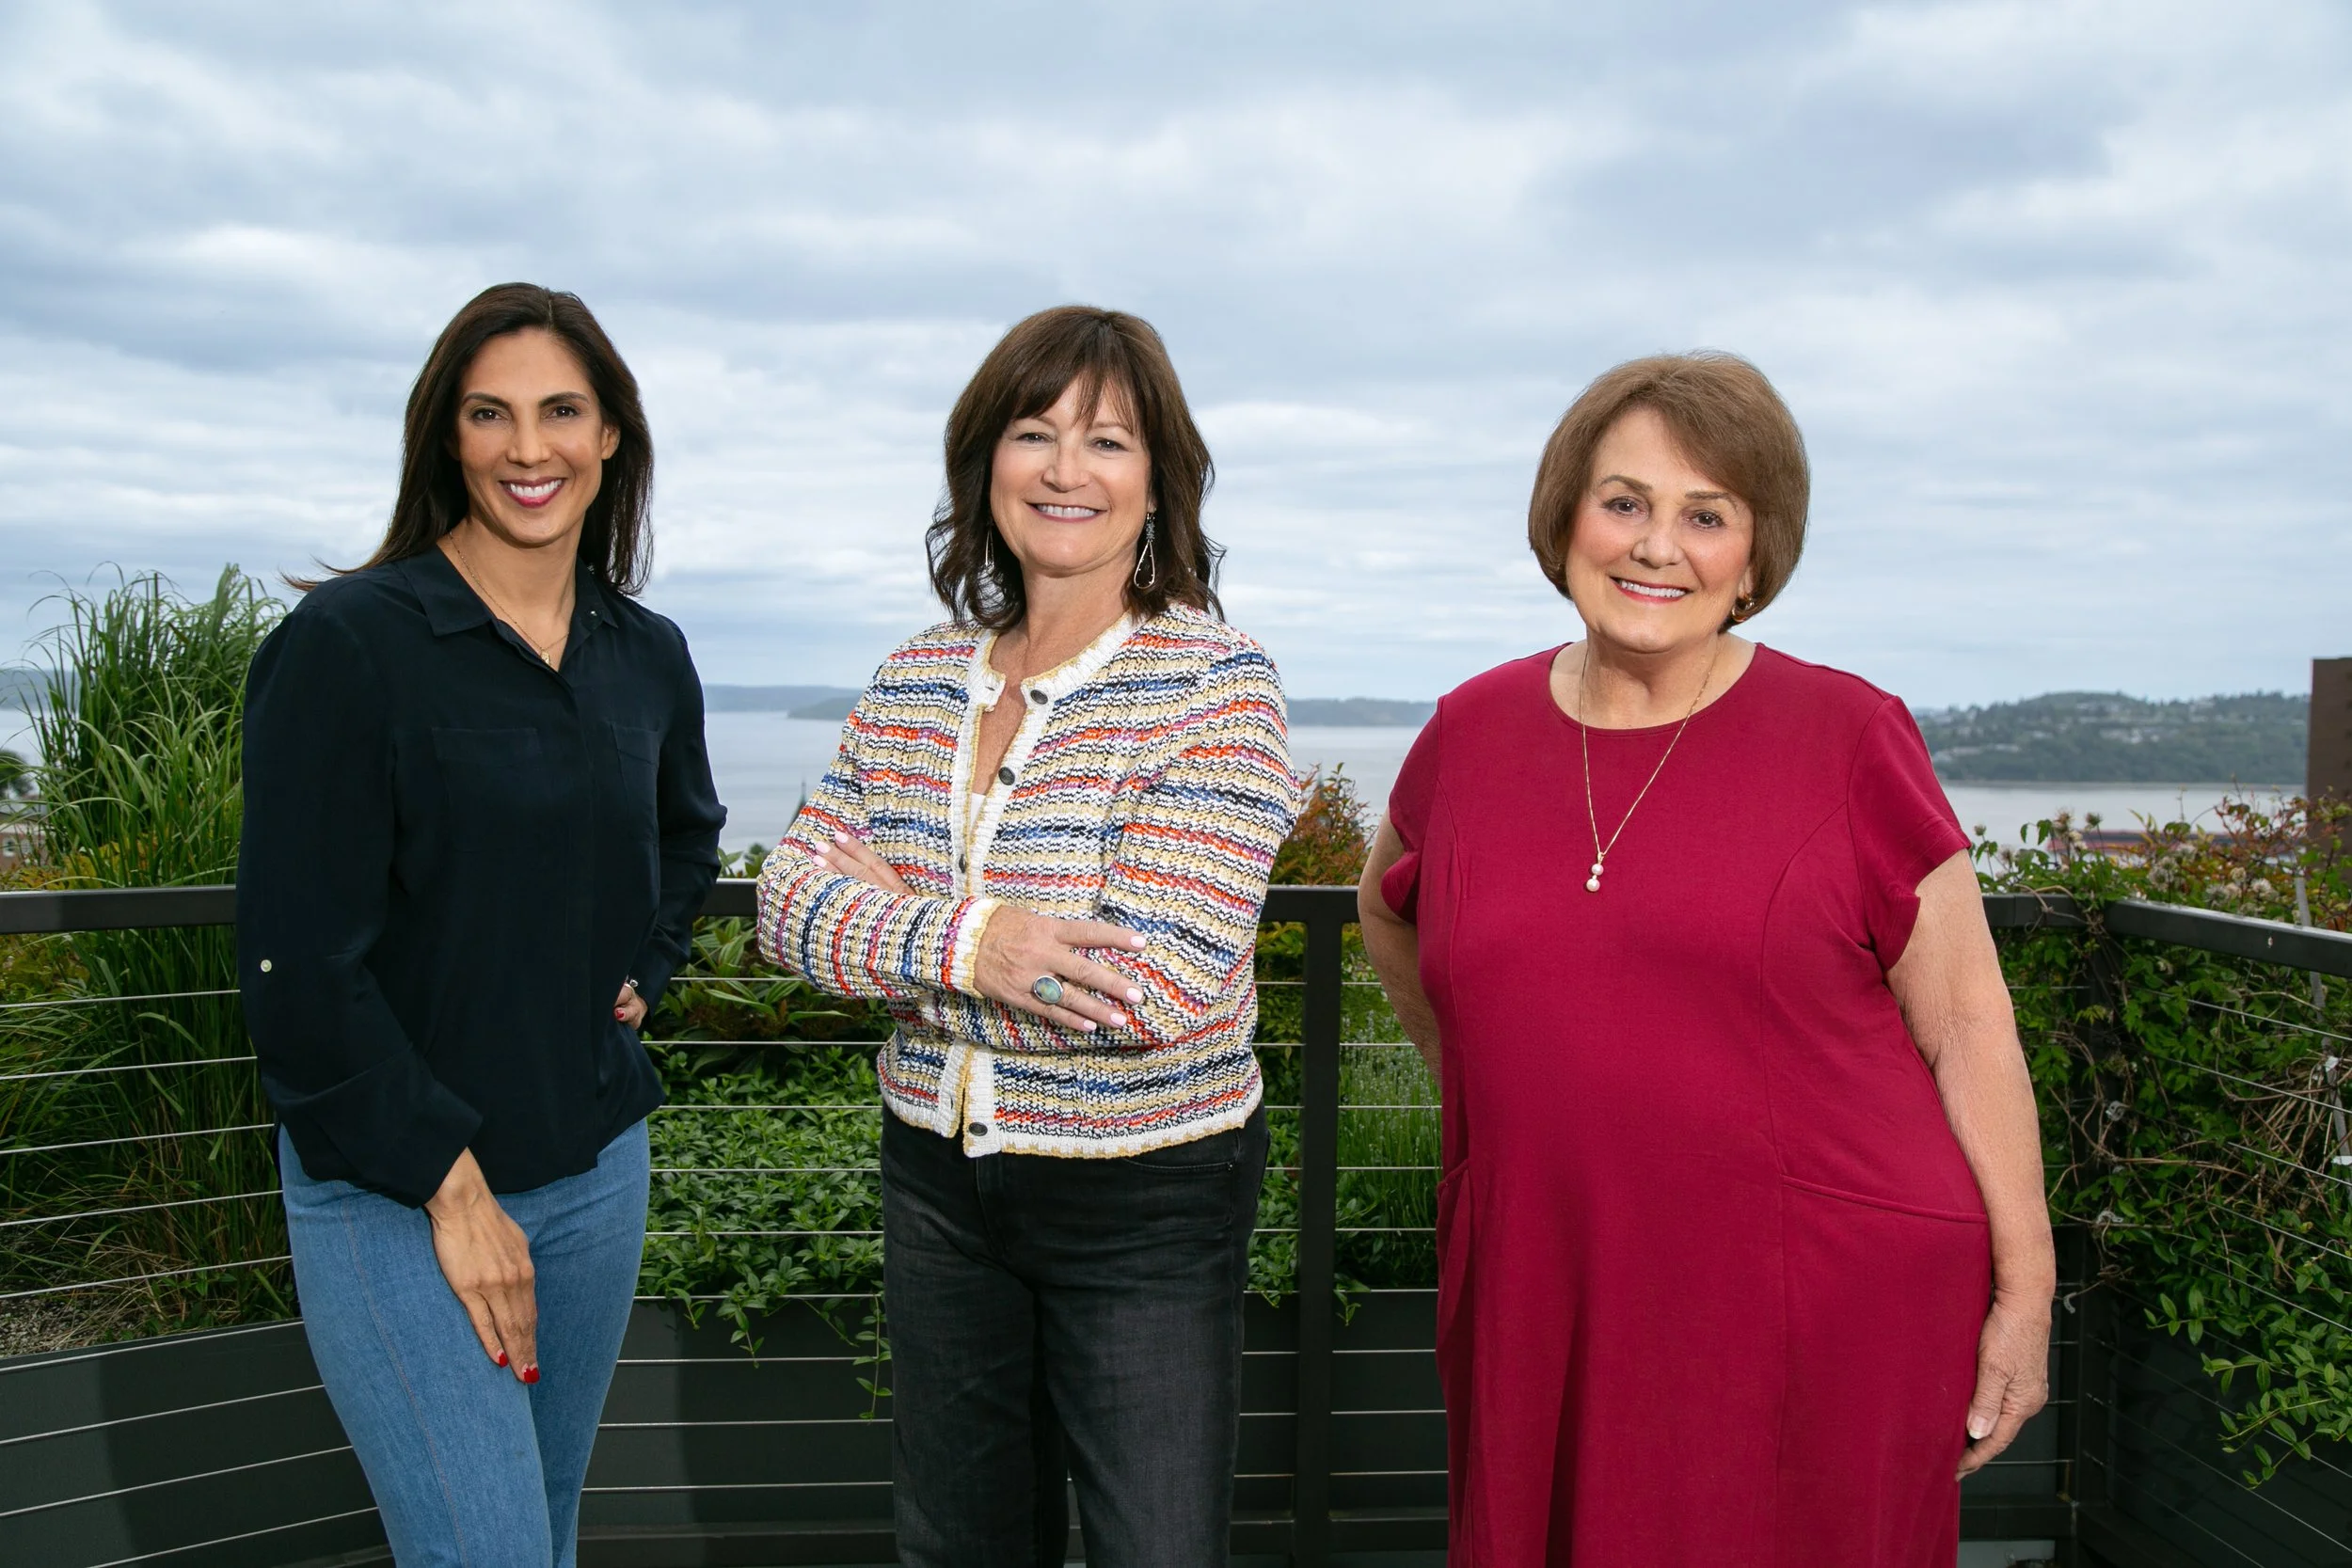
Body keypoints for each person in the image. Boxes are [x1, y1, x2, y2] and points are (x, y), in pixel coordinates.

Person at [1357, 353, 2055, 1565]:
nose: (1655, 547)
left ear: (1756, 550)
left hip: (1822, 1292)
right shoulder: (1471, 729)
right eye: (1623, 501)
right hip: (1552, 1273)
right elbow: (1387, 907)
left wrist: (2027, 1293)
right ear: (1565, 514)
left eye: (1706, 514)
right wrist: (1506, 1087)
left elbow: (1967, 1024)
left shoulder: (1849, 735)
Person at [755, 305, 1301, 1567]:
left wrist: (901, 925)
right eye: (1034, 430)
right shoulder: (910, 681)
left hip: (1147, 1188)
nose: (1067, 468)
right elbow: (787, 905)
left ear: (1157, 478)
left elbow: (1147, 984)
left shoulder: (1217, 684)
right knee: (956, 1544)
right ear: (982, 462)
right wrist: (990, 946)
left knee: (1152, 1549)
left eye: (1108, 440)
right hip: (935, 1175)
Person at [238, 283, 724, 1567]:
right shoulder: (349, 644)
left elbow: (687, 835)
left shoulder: (646, 653)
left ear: (610, 434)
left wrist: (652, 962)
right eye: (490, 414)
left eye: (562, 410)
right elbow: (298, 966)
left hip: (594, 1169)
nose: (529, 448)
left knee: (540, 1534)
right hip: (396, 1193)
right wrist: (453, 1188)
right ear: (446, 437)